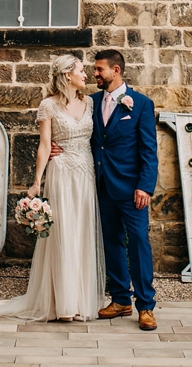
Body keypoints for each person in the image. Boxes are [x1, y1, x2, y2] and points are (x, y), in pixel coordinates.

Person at [0, 54, 104, 321]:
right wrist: (36, 182)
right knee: (63, 233)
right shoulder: (48, 106)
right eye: (81, 70)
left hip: (86, 172)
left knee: (82, 231)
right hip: (62, 172)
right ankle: (62, 303)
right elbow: (45, 145)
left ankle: (80, 299)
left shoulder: (90, 103)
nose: (86, 74)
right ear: (68, 74)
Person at [65, 49, 160, 331]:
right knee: (111, 244)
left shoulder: (141, 105)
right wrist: (59, 147)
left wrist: (145, 186)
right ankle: (120, 299)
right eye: (94, 70)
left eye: (99, 70)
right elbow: (75, 131)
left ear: (115, 71)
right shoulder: (90, 102)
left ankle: (146, 307)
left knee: (139, 244)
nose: (95, 74)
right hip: (101, 186)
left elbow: (149, 151)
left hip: (133, 191)